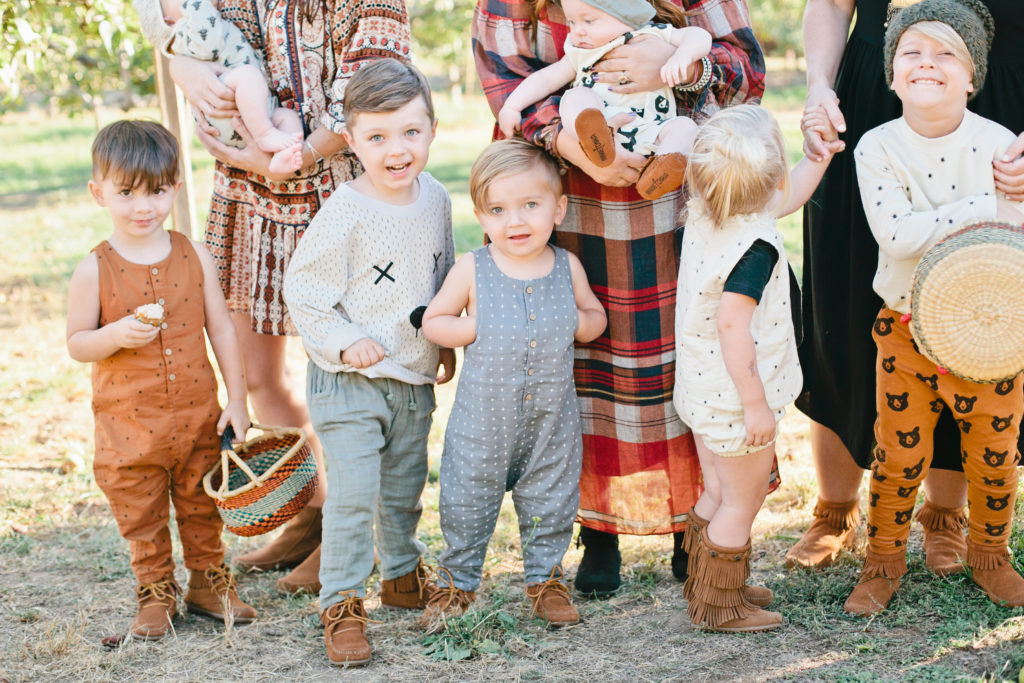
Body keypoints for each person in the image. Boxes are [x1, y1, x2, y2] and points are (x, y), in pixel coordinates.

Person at [473, 0, 768, 596]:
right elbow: (507, 82)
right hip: (568, 195)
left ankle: (699, 524)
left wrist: (683, 62)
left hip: (681, 199)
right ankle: (596, 531)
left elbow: (750, 73)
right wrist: (566, 140)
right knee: (580, 357)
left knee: (693, 355)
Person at [133, 0, 413, 595]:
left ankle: (348, 537)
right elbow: (170, 16)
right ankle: (314, 515)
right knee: (256, 372)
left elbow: (378, 90)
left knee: (345, 376)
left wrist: (292, 155)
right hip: (250, 187)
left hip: (337, 186)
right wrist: (178, 60)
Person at [789, 0, 1024, 573]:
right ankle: (834, 509)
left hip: (1001, 89)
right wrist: (821, 84)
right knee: (844, 302)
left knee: (972, 318)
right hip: (876, 88)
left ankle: (946, 517)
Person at [282, 58, 455, 667]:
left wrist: (445, 341)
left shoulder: (435, 198)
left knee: (404, 488)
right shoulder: (346, 212)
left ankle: (401, 577)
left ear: (432, 128)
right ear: (351, 141)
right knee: (355, 494)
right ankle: (342, 603)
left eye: (410, 132)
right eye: (377, 137)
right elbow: (303, 290)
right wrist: (343, 340)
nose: (396, 150)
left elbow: (441, 278)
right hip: (349, 379)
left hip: (411, 375)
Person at [66, 120, 256, 640]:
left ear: (175, 186)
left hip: (196, 414)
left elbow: (220, 328)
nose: (143, 206)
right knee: (140, 508)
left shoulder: (194, 255)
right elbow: (78, 343)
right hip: (130, 426)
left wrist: (237, 399)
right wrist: (117, 334)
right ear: (98, 192)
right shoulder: (94, 269)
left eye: (157, 191)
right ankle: (155, 588)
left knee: (201, 499)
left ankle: (208, 581)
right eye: (126, 193)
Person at [419, 139, 607, 630]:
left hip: (550, 420)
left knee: (552, 497)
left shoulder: (566, 267)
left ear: (558, 208)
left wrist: (581, 324)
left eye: (530, 205)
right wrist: (468, 329)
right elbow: (434, 320)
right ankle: (458, 581)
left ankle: (545, 580)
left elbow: (594, 316)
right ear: (481, 217)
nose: (515, 222)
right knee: (467, 498)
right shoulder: (473, 269)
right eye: (498, 210)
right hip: (484, 423)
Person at [675, 104, 833, 632]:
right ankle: (721, 608)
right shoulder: (755, 249)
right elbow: (732, 326)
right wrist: (755, 404)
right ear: (768, 182)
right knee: (740, 504)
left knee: (718, 493)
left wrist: (821, 158)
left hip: (699, 389)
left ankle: (711, 582)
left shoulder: (709, 207)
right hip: (734, 397)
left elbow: (784, 198)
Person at [496, 0, 711, 199]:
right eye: (572, 21)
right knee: (575, 98)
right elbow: (545, 79)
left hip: (652, 129)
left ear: (624, 13)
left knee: (684, 127)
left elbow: (698, 36)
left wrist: (684, 56)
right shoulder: (580, 52)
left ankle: (663, 168)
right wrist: (513, 105)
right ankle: (592, 132)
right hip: (603, 121)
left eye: (589, 21)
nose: (577, 31)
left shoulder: (651, 34)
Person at [154, 0, 304, 175]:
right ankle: (265, 134)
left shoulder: (198, 26)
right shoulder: (186, 32)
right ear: (167, 19)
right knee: (249, 76)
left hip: (252, 108)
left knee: (288, 117)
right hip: (227, 98)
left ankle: (284, 156)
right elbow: (209, 41)